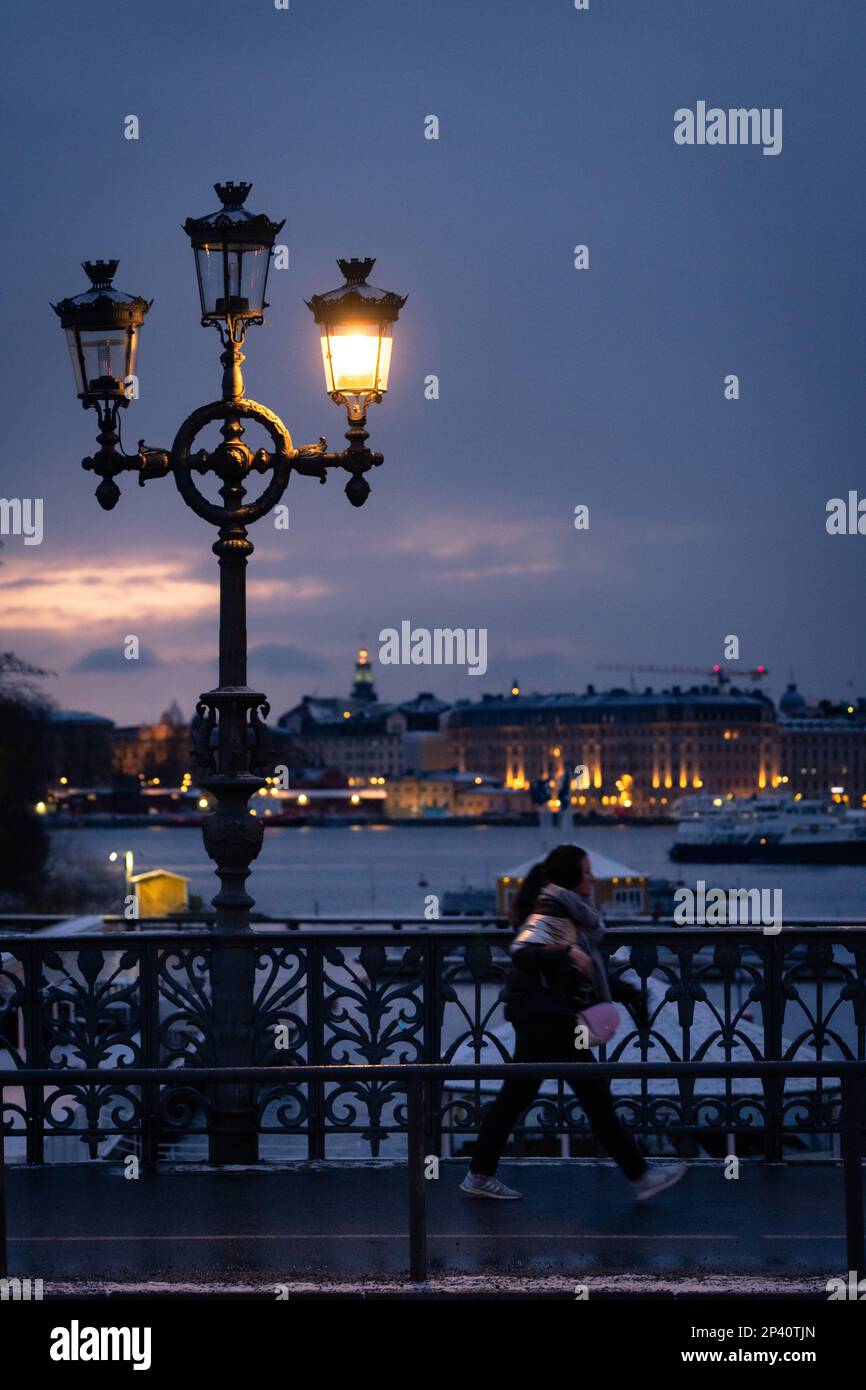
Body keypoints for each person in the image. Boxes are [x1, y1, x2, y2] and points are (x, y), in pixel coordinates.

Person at [460, 843, 686, 1201]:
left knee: (516, 1097)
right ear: (569, 877)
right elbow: (523, 952)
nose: (592, 877)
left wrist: (627, 994)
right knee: (592, 1094)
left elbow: (583, 967)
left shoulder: (564, 908)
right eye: (585, 871)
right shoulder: (553, 908)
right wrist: (567, 952)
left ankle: (479, 1173)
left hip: (539, 1015)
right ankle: (639, 1175)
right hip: (551, 1018)